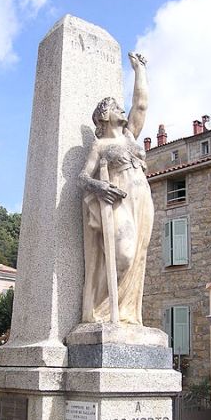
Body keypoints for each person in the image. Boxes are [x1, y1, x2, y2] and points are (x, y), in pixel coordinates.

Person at [78, 52, 154, 325]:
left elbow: (141, 105)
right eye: (116, 107)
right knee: (124, 254)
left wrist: (139, 70)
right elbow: (82, 177)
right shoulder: (100, 146)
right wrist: (100, 187)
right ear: (105, 116)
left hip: (142, 196)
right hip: (118, 198)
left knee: (139, 257)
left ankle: (126, 314)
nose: (122, 109)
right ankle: (101, 309)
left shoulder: (130, 135)